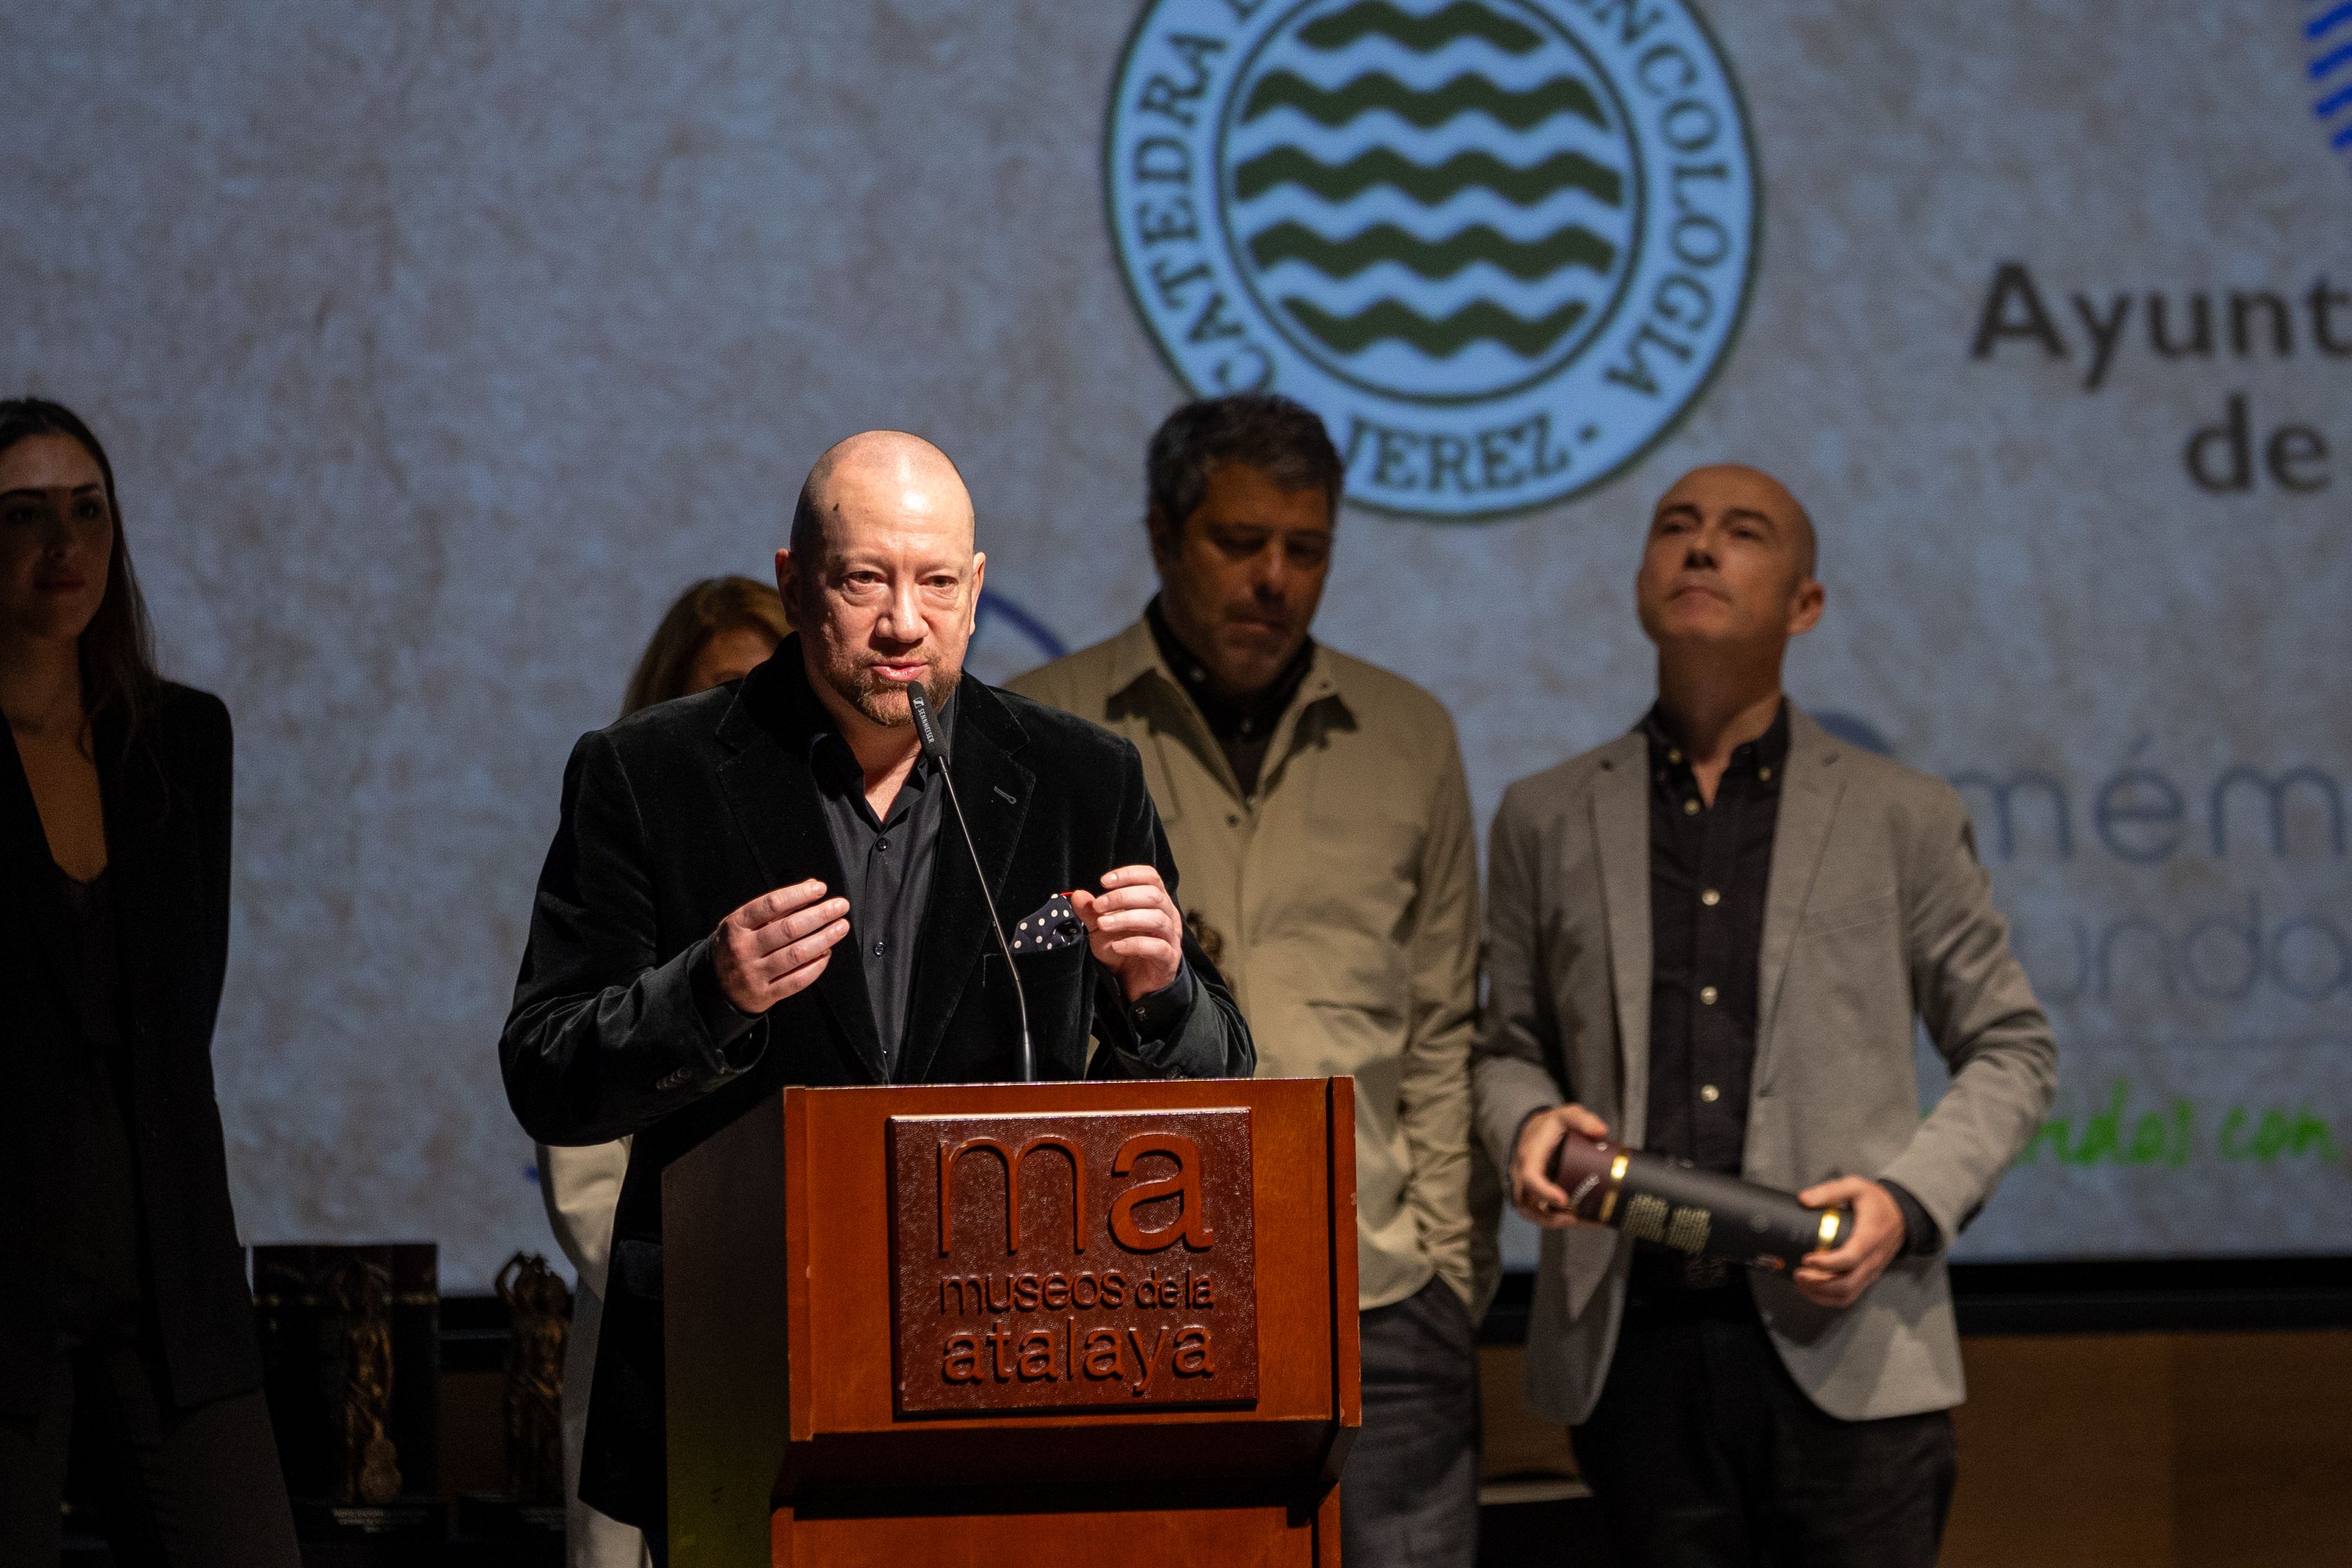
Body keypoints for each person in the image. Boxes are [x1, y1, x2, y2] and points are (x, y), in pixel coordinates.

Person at [500, 430, 1253, 1553]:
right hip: (739, 1376)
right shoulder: (649, 775)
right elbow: (547, 1070)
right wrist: (706, 995)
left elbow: (1222, 1073)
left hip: (1009, 1377)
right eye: (865, 581)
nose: (905, 622)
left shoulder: (1081, 780)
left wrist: (1161, 993)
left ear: (976, 591)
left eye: (936, 584)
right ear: (795, 583)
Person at [1476, 463, 2059, 1567]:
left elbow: (2012, 1048)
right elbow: (1506, 1048)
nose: (1701, 548)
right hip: (1634, 1350)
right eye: (1676, 527)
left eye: (1743, 531)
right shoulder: (1543, 816)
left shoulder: (1903, 815)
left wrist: (1907, 1203)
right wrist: (1528, 1124)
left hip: (1854, 1347)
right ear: (1640, 580)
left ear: (1806, 603)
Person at [1010, 393, 1484, 1568]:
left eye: (1305, 550)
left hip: (1379, 1296)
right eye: (1239, 542)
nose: (1274, 578)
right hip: (1126, 1301)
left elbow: (1443, 1030)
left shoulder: (1409, 735)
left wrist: (1448, 1270)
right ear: (1164, 535)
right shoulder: (1046, 728)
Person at [0, 398, 302, 1566]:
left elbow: (184, 1013)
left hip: (171, 1264)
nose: (62, 546)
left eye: (88, 511)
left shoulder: (182, 740)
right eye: (24, 515)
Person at [538, 575, 791, 1568]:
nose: (743, 717)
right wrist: (711, 1301)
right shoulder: (623, 863)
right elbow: (585, 1160)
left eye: (769, 687)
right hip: (660, 1340)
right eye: (720, 690)